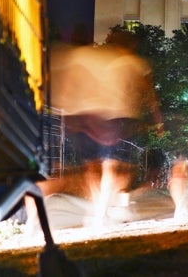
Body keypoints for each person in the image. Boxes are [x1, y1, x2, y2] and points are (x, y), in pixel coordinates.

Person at [50, 32, 163, 226]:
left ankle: (100, 207)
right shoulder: (132, 62)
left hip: (85, 117)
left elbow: (68, 87)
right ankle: (104, 208)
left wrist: (65, 115)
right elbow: (147, 93)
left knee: (92, 167)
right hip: (117, 118)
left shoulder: (84, 57)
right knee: (114, 166)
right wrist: (156, 119)